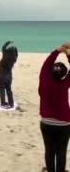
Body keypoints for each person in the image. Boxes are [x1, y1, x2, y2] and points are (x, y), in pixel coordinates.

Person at [38, 43, 70, 172]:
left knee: (49, 151)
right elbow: (47, 66)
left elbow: (46, 65)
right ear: (64, 75)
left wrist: (57, 51)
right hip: (64, 124)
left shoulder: (44, 81)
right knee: (61, 152)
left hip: (46, 123)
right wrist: (67, 53)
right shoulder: (64, 84)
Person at [0, 41, 18, 109]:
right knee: (9, 90)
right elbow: (16, 54)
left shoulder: (4, 59)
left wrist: (8, 42)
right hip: (9, 76)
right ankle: (11, 103)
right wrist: (15, 49)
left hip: (1, 75)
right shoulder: (14, 59)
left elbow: (3, 48)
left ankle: (3, 103)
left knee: (2, 90)